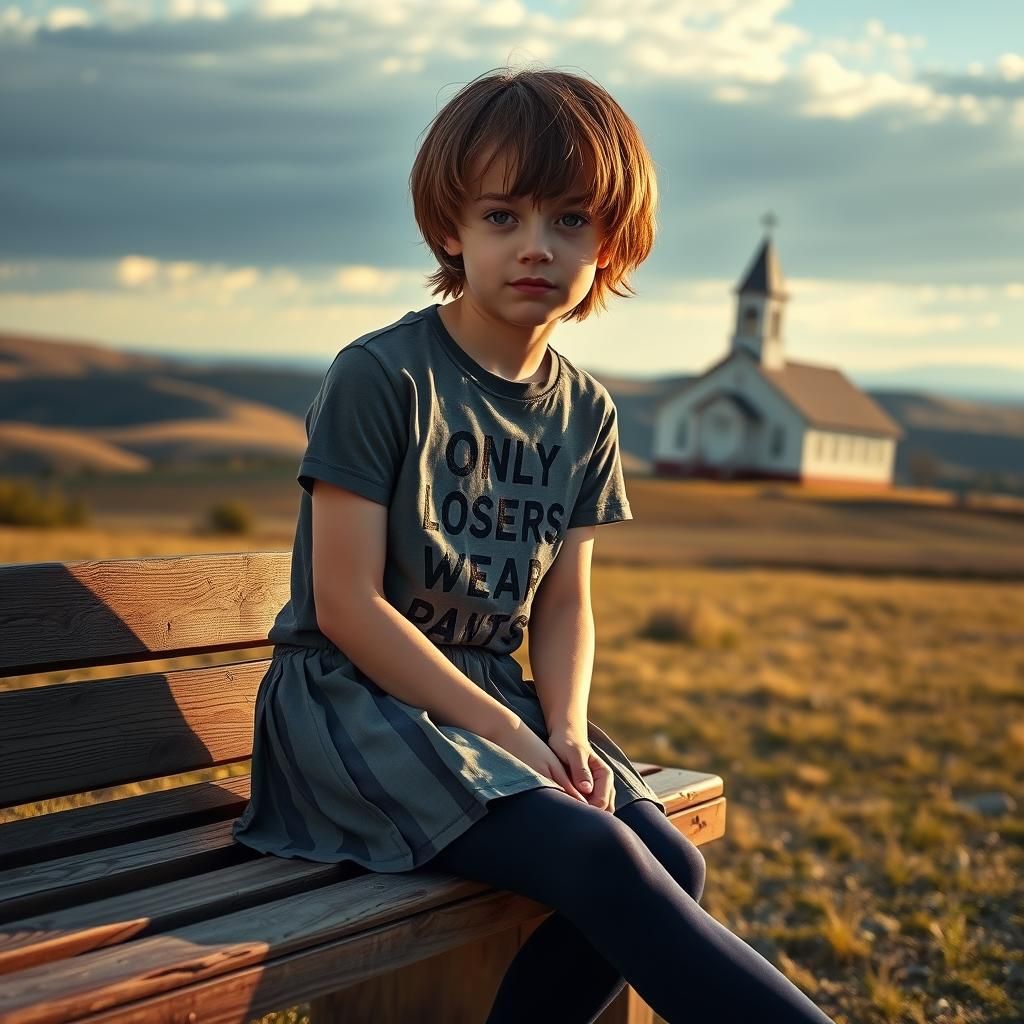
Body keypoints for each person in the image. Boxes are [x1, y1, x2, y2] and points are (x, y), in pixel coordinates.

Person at [232, 66, 837, 1024]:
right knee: (599, 859)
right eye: (503, 216)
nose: (536, 247)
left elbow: (563, 602)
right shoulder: (383, 377)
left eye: (569, 220)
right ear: (450, 231)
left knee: (671, 856)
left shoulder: (585, 410)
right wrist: (513, 735)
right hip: (350, 712)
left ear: (612, 243)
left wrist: (561, 725)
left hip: (491, 706)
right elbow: (347, 607)